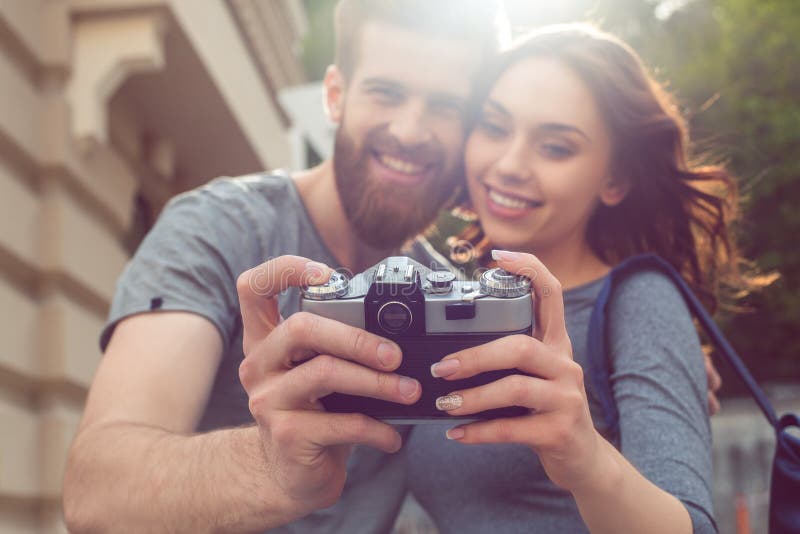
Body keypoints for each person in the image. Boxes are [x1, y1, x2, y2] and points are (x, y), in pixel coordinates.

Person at [61, 1, 506, 532]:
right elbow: (96, 492)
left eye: (446, 106)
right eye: (386, 92)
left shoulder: (454, 290)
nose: (411, 131)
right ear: (336, 96)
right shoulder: (221, 227)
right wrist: (271, 468)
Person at [404, 24, 737, 533]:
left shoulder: (641, 302)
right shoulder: (449, 299)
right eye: (494, 127)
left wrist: (585, 458)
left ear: (615, 179)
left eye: (555, 148)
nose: (510, 164)